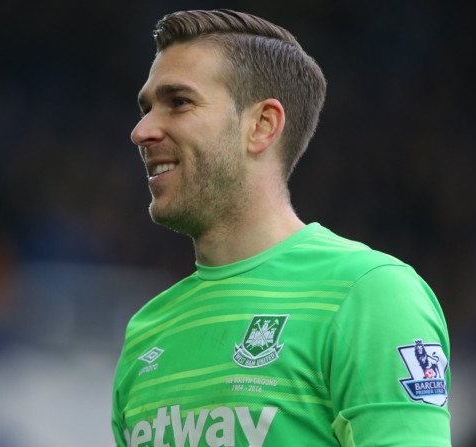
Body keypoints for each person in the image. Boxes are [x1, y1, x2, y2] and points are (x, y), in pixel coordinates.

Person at [112, 9, 452, 447]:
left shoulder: (370, 295)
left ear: (262, 125)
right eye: (146, 108)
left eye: (178, 102)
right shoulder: (147, 332)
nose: (142, 130)